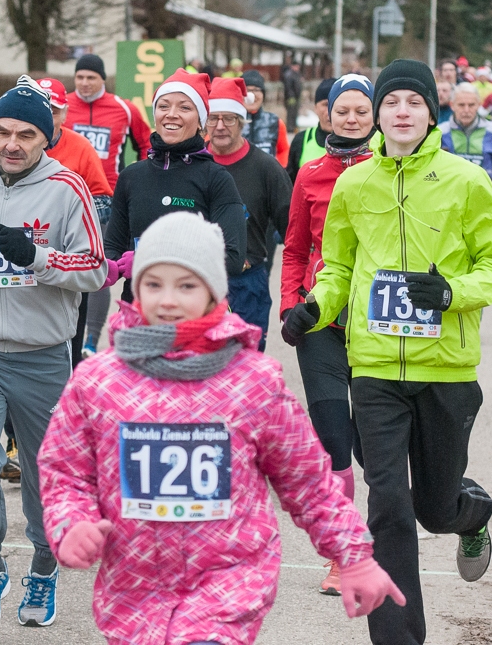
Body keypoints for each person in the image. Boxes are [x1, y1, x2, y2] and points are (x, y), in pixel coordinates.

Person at [39, 211, 403, 645]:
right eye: (153, 284)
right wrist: (71, 524)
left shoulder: (252, 380)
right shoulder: (97, 380)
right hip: (132, 591)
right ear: (135, 289)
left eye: (187, 285)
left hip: (229, 582)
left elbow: (307, 481)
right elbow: (65, 472)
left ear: (215, 294)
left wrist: (353, 555)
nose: (168, 300)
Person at [283, 59, 492, 645]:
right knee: (387, 506)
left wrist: (451, 293)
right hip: (376, 368)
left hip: (446, 367)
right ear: (378, 114)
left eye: (414, 102)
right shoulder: (352, 184)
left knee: (434, 509)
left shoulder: (465, 180)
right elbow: (337, 265)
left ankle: (471, 513)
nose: (402, 112)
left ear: (430, 112)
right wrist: (317, 306)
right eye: (392, 103)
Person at [0, 75, 107, 628]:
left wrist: (38, 256)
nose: (12, 144)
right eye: (3, 132)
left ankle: (42, 563)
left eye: (26, 134)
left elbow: (97, 269)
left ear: (47, 138)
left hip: (42, 358)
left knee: (43, 473)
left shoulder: (68, 190)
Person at [280, 74, 375, 596]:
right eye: (344, 111)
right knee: (334, 442)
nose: (353, 119)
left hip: (376, 325)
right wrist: (292, 306)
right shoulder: (311, 173)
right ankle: (345, 553)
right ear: (328, 116)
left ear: (375, 116)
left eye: (362, 111)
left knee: (371, 448)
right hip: (320, 322)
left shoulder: (390, 172)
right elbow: (294, 249)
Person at [104, 69, 247, 304]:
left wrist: (148, 259)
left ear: (201, 122)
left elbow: (232, 258)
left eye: (184, 108)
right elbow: (113, 245)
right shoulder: (131, 176)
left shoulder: (217, 178)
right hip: (138, 313)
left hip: (195, 313)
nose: (171, 114)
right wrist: (108, 265)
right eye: (163, 106)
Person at [206, 76, 292, 351]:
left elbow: (293, 231)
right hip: (198, 282)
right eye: (213, 118)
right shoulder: (193, 164)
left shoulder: (266, 169)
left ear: (242, 121)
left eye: (229, 118)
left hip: (247, 284)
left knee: (246, 372)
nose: (220, 126)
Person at [39, 77, 113, 364]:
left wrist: (66, 211)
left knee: (68, 347)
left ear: (65, 114)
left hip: (68, 262)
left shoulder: (80, 148)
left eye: (53, 112)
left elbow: (105, 203)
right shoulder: (12, 145)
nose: (46, 119)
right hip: (24, 263)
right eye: (40, 109)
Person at [65, 53, 152, 191]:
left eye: (91, 78)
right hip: (69, 191)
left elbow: (146, 144)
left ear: (103, 79)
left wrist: (142, 178)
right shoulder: (61, 107)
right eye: (80, 77)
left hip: (111, 193)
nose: (84, 83)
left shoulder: (125, 108)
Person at [439, 82, 492, 204]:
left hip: (484, 195)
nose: (466, 110)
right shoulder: (440, 132)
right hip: (451, 197)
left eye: (471, 105)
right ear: (452, 105)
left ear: (478, 105)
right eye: (461, 105)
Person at [286, 77, 337, 183]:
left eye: (336, 104)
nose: (331, 111)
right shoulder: (302, 140)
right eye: (326, 104)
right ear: (315, 107)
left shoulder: (357, 143)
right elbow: (290, 184)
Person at [241, 69, 290, 166]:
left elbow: (284, 150)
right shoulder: (230, 121)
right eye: (247, 90)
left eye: (256, 90)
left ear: (263, 94)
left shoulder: (274, 122)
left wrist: (279, 169)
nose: (252, 95)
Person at [283, 62, 304, 131]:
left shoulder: (296, 74)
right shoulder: (289, 75)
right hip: (291, 97)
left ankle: (294, 126)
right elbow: (288, 87)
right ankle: (290, 127)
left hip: (296, 96)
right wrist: (290, 96)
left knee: (295, 112)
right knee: (291, 112)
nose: (298, 68)